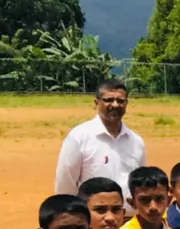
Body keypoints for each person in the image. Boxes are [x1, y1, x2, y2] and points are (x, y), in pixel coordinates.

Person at [54, 79, 146, 213]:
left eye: (121, 101)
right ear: (97, 102)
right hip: (92, 224)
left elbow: (139, 184)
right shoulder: (79, 137)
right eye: (108, 100)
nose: (115, 105)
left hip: (128, 223)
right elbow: (65, 184)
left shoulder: (136, 141)